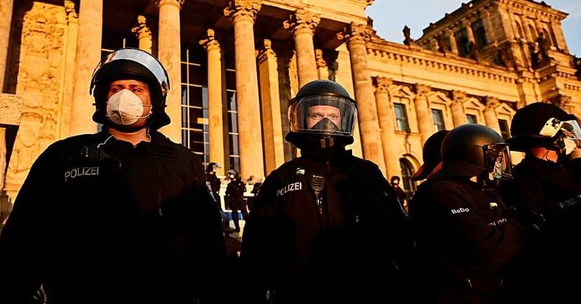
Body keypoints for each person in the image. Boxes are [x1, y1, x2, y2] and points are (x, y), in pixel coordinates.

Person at [0, 48, 228, 304]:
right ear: (102, 98)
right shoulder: (65, 156)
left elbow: (208, 243)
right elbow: (25, 236)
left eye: (136, 88)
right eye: (116, 89)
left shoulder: (183, 161)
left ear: (155, 99)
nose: (125, 95)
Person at [240, 79, 416, 304]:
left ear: (344, 119)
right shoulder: (282, 177)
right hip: (299, 293)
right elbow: (256, 245)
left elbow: (398, 234)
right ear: (302, 118)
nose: (326, 123)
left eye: (332, 116)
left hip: (366, 291)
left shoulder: (366, 173)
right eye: (316, 116)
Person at [408, 123, 529, 304]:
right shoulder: (438, 192)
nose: (499, 164)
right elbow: (490, 246)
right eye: (494, 156)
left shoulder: (475, 190)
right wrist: (527, 230)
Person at [500, 102, 581, 303]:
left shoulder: (564, 171)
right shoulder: (526, 181)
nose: (571, 138)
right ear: (552, 134)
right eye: (567, 132)